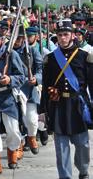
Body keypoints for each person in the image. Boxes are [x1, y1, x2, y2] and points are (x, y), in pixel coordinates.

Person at [40, 19, 93, 179]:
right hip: (58, 107)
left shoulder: (84, 57)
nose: (63, 38)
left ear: (73, 35)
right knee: (61, 150)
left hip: (78, 107)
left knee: (83, 146)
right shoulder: (50, 59)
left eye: (66, 34)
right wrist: (42, 110)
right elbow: (45, 87)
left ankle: (83, 171)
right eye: (60, 35)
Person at [0, 25, 25, 174]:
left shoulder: (12, 54)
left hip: (7, 97)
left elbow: (21, 76)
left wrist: (10, 79)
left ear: (2, 40)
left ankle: (12, 151)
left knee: (13, 130)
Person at [13, 26, 43, 155]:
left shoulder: (31, 51)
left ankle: (31, 137)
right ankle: (18, 144)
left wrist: (36, 79)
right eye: (15, 38)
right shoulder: (7, 51)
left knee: (31, 120)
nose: (17, 41)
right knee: (15, 122)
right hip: (13, 90)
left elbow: (41, 69)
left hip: (29, 89)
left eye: (20, 38)